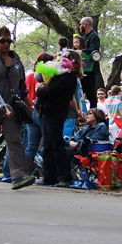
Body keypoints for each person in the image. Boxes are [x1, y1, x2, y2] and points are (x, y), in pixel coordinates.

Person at [0, 26, 35, 190]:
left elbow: (22, 87)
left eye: (9, 41)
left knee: (14, 140)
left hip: (11, 108)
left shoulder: (17, 62)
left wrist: (29, 105)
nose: (6, 44)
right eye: (2, 41)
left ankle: (18, 176)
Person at [36, 50, 83, 188]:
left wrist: (39, 90)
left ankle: (65, 177)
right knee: (48, 145)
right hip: (47, 111)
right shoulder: (59, 74)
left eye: (66, 57)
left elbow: (51, 91)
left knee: (57, 144)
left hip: (56, 112)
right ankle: (49, 176)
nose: (62, 59)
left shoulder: (69, 77)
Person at [76, 17, 101, 109]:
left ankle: (94, 111)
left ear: (85, 25)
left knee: (90, 92)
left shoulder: (93, 36)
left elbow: (94, 49)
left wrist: (83, 51)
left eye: (80, 24)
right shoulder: (85, 36)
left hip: (90, 68)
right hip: (83, 67)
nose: (80, 26)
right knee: (81, 91)